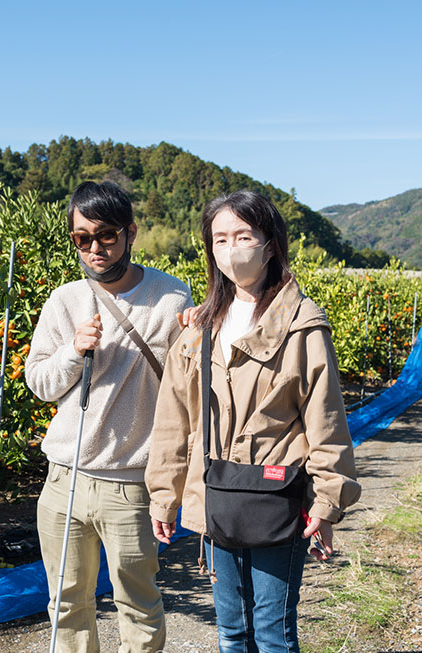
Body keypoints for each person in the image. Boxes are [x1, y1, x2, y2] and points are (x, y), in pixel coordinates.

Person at [145, 190, 361, 653]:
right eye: (220, 239)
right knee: (231, 630)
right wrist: (164, 495)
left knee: (273, 633)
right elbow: (175, 420)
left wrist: (327, 503)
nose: (232, 249)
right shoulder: (199, 327)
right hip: (217, 495)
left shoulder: (302, 325)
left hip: (276, 495)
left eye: (244, 236)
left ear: (270, 244)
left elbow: (325, 420)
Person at [25, 180, 193, 653]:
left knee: (137, 603)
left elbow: (188, 396)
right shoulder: (64, 301)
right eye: (82, 238)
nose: (95, 248)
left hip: (131, 484)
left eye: (106, 235)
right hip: (64, 480)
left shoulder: (171, 300)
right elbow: (38, 383)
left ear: (130, 232)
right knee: (66, 604)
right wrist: (72, 353)